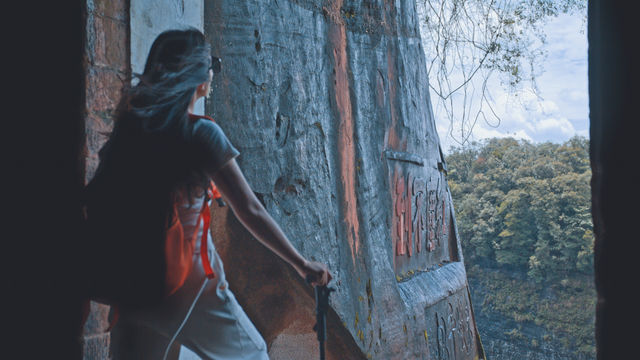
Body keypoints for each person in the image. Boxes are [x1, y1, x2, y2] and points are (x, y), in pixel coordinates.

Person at [88, 28, 332, 359]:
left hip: (132, 292)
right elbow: (249, 209)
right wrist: (302, 264)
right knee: (254, 355)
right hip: (188, 289)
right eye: (211, 63)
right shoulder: (201, 134)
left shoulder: (130, 131)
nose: (214, 72)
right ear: (199, 76)